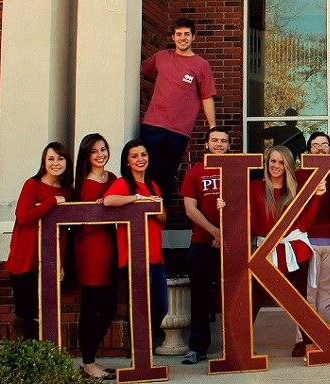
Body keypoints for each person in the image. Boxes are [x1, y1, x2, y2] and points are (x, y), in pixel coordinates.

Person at [249, 145, 326, 357]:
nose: (276, 166)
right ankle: (241, 344)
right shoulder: (255, 187)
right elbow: (251, 221)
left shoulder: (296, 189)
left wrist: (317, 196)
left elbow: (305, 223)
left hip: (295, 250)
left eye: (281, 162)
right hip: (266, 250)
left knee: (299, 300)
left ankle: (310, 345)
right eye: (273, 161)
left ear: (288, 166)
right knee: (255, 296)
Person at [140, 17, 217, 208]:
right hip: (152, 125)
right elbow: (141, 69)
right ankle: (141, 216)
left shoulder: (201, 65)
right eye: (179, 34)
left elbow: (207, 97)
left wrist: (213, 127)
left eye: (187, 34)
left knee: (166, 176)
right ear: (173, 37)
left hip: (178, 131)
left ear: (193, 37)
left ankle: (160, 217)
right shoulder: (161, 57)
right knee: (144, 172)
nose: (183, 38)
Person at [6, 142, 73, 340]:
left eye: (60, 158)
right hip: (25, 257)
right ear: (44, 162)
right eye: (51, 158)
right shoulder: (32, 185)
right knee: (24, 311)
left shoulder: (68, 191)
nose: (56, 163)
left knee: (43, 311)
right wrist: (51, 202)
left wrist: (60, 263)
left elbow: (64, 232)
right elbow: (24, 217)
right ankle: (24, 358)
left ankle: (42, 357)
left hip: (49, 260)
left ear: (66, 162)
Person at [103, 139, 168, 333]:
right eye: (134, 156)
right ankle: (139, 354)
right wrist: (139, 199)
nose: (140, 159)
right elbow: (108, 201)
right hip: (136, 256)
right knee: (140, 307)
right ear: (127, 162)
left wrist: (155, 208)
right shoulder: (123, 183)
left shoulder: (153, 185)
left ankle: (146, 345)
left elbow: (163, 218)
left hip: (156, 255)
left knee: (161, 306)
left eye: (143, 154)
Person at [292, 132, 330, 358]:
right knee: (307, 293)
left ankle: (328, 336)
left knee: (328, 294)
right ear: (308, 151)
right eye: (315, 145)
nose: (320, 149)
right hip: (306, 241)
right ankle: (301, 339)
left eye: (325, 145)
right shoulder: (297, 175)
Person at [179, 127, 229, 365]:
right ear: (207, 144)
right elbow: (190, 209)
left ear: (229, 146)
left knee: (233, 296)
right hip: (201, 242)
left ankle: (235, 346)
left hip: (231, 244)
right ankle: (197, 347)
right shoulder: (195, 172)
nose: (219, 144)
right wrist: (214, 231)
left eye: (223, 141)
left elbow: (245, 205)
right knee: (199, 297)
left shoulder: (237, 171)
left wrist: (225, 233)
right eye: (215, 140)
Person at [73, 134, 118, 380]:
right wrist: (104, 209)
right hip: (91, 250)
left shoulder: (111, 178)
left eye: (103, 149)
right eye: (94, 151)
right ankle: (88, 362)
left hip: (111, 247)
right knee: (91, 307)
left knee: (110, 307)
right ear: (86, 156)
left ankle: (90, 358)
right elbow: (86, 224)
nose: (100, 154)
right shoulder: (85, 184)